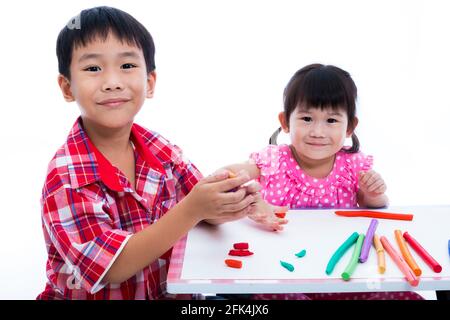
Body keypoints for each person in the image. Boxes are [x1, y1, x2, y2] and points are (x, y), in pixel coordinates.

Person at [36, 6, 269, 300]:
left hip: (171, 295)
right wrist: (195, 208)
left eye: (127, 66)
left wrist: (233, 200)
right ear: (67, 87)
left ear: (149, 83)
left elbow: (202, 207)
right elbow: (112, 268)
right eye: (93, 68)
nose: (112, 82)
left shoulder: (161, 149)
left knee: (257, 300)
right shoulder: (67, 175)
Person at [222, 64, 423, 300]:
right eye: (307, 118)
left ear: (350, 126)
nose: (318, 131)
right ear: (285, 122)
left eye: (331, 120)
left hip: (342, 273)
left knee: (403, 295)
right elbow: (225, 175)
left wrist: (373, 193)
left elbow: (375, 209)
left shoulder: (353, 166)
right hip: (283, 269)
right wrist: (253, 200)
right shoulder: (272, 161)